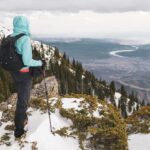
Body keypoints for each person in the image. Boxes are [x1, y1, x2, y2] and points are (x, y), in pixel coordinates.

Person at [10, 16, 45, 138]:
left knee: (21, 96)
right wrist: (40, 63)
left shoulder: (11, 37)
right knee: (23, 100)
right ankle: (19, 129)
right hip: (24, 74)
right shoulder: (24, 38)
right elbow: (27, 60)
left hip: (14, 72)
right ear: (26, 25)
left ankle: (22, 118)